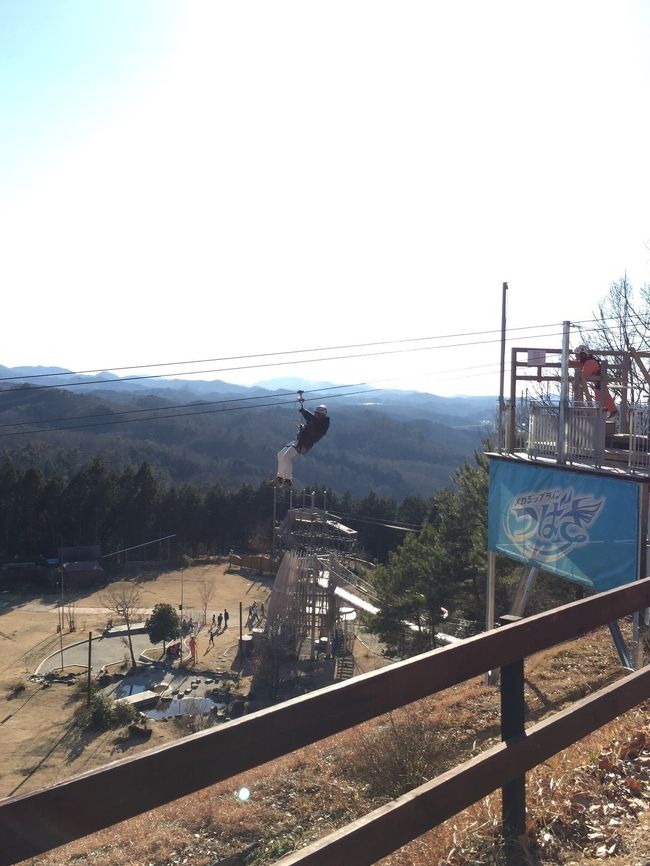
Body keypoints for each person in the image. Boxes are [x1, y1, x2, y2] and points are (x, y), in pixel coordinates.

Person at [276, 396, 330, 488]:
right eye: (316, 413)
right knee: (280, 454)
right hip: (299, 440)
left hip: (304, 444)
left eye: (318, 414)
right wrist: (303, 426)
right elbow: (311, 421)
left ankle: (288, 480)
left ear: (322, 415)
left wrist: (304, 411)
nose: (316, 415)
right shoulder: (317, 421)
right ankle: (280, 477)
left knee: (286, 457)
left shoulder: (323, 424)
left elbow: (313, 421)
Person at [571, 344, 617, 419]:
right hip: (598, 383)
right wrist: (570, 363)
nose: (577, 358)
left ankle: (604, 414)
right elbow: (579, 364)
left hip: (599, 382)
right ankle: (612, 411)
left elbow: (584, 374)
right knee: (603, 397)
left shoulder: (590, 363)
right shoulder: (588, 361)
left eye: (578, 356)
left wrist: (578, 382)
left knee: (599, 399)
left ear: (582, 355)